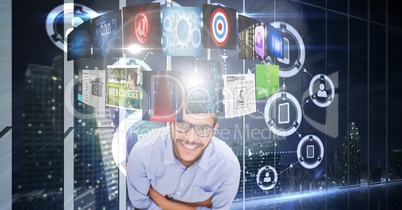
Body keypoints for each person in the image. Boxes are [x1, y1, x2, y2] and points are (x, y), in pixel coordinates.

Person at [126, 107, 241, 210]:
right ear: (170, 124)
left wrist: (162, 201)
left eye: (202, 128)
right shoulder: (143, 152)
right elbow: (141, 206)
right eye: (182, 125)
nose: (191, 139)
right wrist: (201, 204)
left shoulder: (228, 165)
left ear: (213, 132)